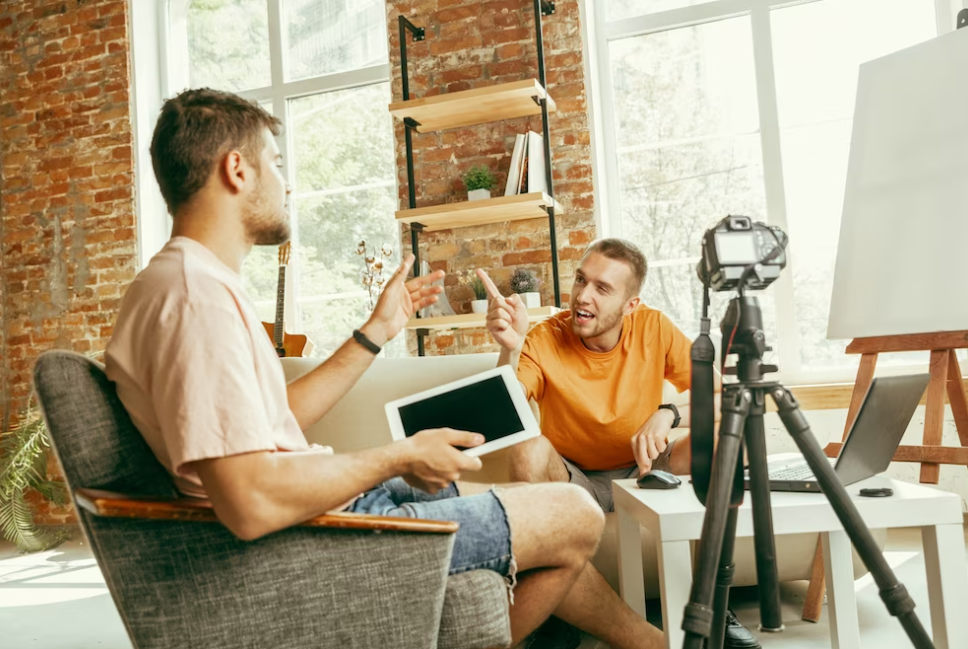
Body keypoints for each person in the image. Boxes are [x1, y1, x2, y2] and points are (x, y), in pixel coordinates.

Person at [104, 88, 667, 649]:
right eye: (275, 163)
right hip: (329, 538)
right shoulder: (194, 300)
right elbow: (249, 502)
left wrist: (377, 331)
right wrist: (397, 455)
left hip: (330, 514)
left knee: (506, 501)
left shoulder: (183, 284)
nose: (286, 183)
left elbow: (279, 417)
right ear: (236, 170)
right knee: (574, 514)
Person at [478, 239, 760, 649]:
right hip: (572, 480)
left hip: (646, 467)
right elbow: (503, 417)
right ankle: (551, 613)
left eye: (602, 288)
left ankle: (713, 603)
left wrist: (669, 413)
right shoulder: (543, 337)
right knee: (527, 448)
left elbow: (723, 396)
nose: (582, 296)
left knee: (726, 440)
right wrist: (510, 348)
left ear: (631, 304)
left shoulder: (653, 327)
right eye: (580, 280)